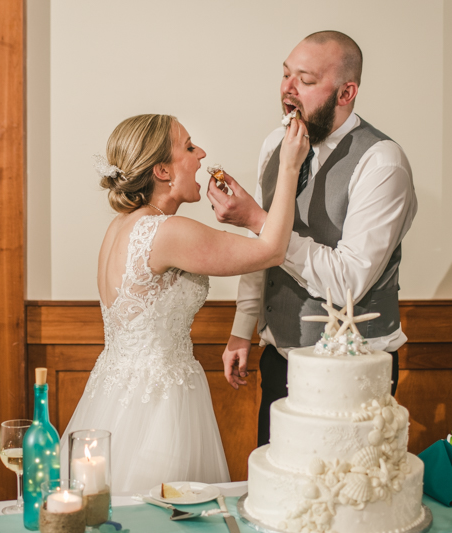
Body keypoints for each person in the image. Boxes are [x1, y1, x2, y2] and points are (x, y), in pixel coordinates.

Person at [60, 113, 310, 492]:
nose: (202, 154)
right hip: (160, 403)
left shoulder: (122, 226)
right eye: (189, 147)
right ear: (163, 170)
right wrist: (290, 166)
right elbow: (272, 250)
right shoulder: (168, 232)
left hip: (114, 393)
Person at [207, 31, 418, 446]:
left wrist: (258, 219)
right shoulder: (275, 144)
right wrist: (242, 327)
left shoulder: (382, 162)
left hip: (351, 373)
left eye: (304, 80)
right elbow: (261, 250)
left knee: (343, 500)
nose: (287, 88)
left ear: (346, 92)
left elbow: (348, 282)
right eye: (285, 75)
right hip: (279, 359)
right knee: (280, 494)